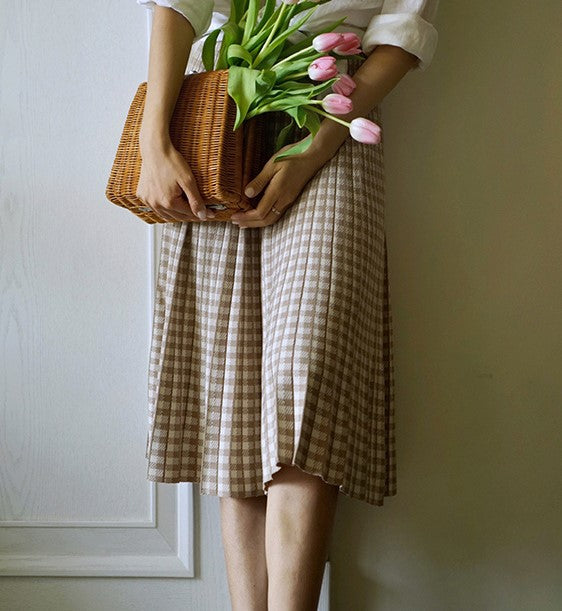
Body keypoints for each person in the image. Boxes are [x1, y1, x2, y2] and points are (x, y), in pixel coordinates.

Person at [134, 1, 439, 609]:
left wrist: (315, 148)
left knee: (310, 372)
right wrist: (153, 134)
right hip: (222, 110)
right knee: (238, 391)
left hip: (337, 115)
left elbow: (402, 32)